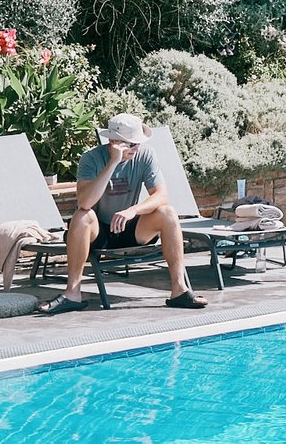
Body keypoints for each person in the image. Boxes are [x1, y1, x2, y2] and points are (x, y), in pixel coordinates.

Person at [46, 113, 204, 314]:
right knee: (82, 216)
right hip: (98, 233)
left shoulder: (145, 154)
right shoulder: (91, 158)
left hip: (130, 228)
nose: (136, 148)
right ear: (112, 141)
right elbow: (85, 202)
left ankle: (179, 290)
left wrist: (133, 210)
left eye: (137, 143)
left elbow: (161, 195)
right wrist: (112, 163)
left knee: (168, 213)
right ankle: (73, 294)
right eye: (131, 144)